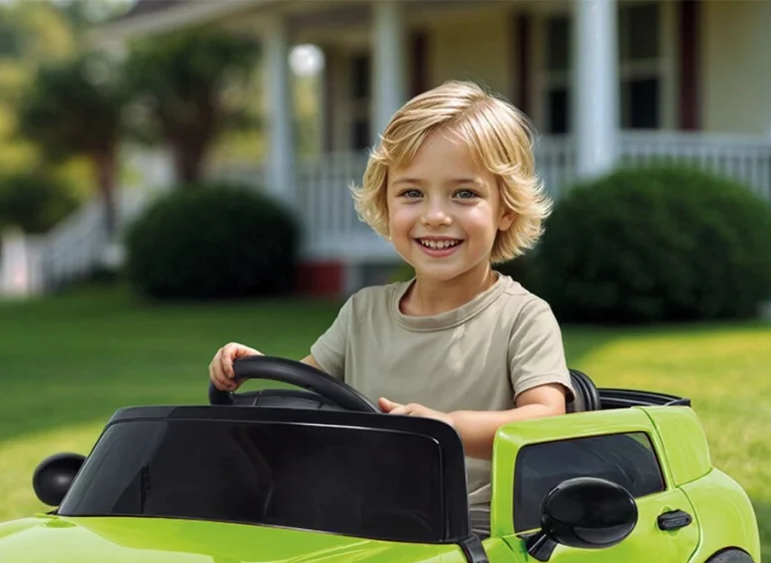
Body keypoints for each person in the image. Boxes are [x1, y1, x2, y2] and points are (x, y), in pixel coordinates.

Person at [208, 80, 573, 537]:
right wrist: (253, 366)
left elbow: (546, 418)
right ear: (385, 201)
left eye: (464, 194)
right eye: (412, 193)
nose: (435, 215)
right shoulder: (362, 313)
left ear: (505, 210)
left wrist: (449, 428)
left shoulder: (522, 317)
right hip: (354, 522)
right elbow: (301, 396)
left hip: (470, 532)